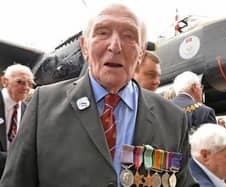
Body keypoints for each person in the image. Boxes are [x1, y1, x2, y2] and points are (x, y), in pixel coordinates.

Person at [0, 4, 198, 187]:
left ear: (141, 52)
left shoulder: (173, 119)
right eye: (102, 33)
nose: (115, 46)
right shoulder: (43, 105)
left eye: (129, 35)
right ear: (85, 47)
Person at [0, 64, 34, 176]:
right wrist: (16, 161)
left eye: (30, 84)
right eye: (20, 82)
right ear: (5, 82)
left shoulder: (28, 110)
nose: (26, 88)